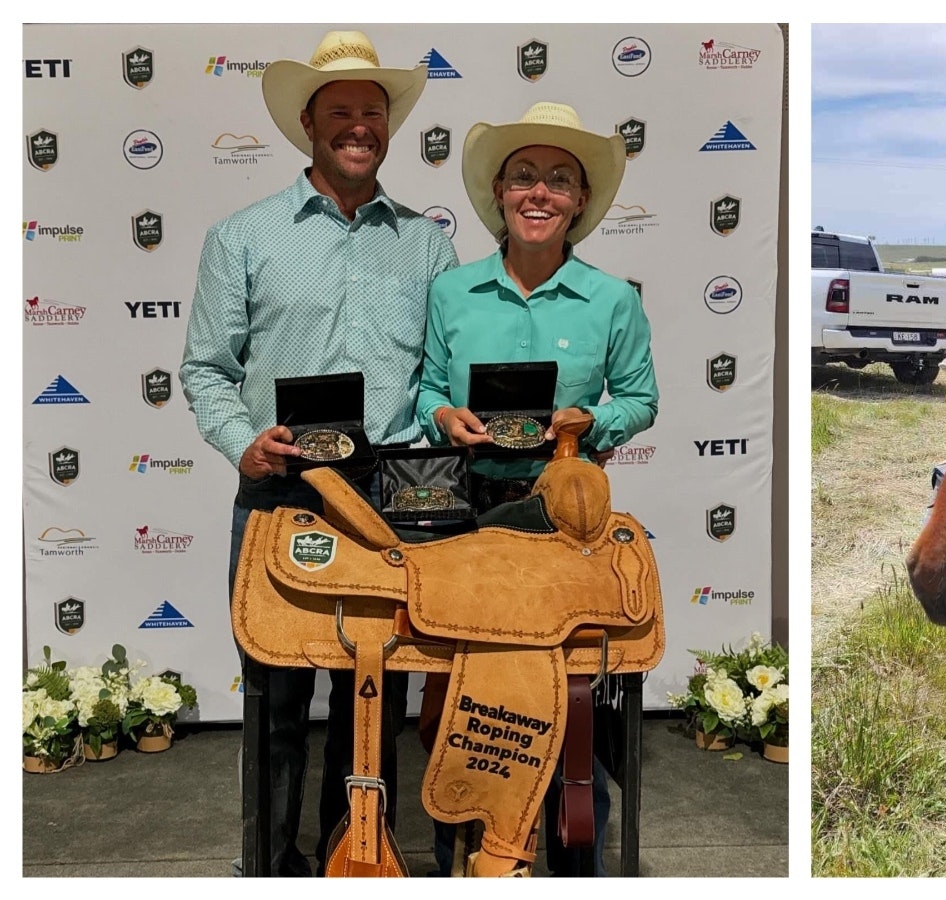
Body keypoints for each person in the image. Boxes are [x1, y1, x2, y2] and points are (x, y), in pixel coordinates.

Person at [179, 30, 459, 876]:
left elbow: (440, 374)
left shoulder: (428, 244)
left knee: (372, 697)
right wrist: (242, 441)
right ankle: (266, 871)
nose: (357, 127)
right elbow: (204, 369)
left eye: (372, 112)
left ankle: (357, 860)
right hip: (279, 493)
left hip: (393, 500)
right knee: (273, 698)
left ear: (389, 126)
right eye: (340, 111)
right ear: (308, 121)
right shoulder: (243, 236)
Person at [415, 101, 659, 877]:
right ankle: (460, 846)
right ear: (499, 191)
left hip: (567, 521)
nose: (540, 192)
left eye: (559, 179)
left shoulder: (614, 299)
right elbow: (424, 390)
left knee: (571, 700)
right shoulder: (451, 294)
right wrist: (443, 415)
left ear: (581, 200)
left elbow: (642, 397)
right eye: (524, 176)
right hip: (468, 509)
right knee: (458, 701)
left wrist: (594, 421)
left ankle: (568, 857)